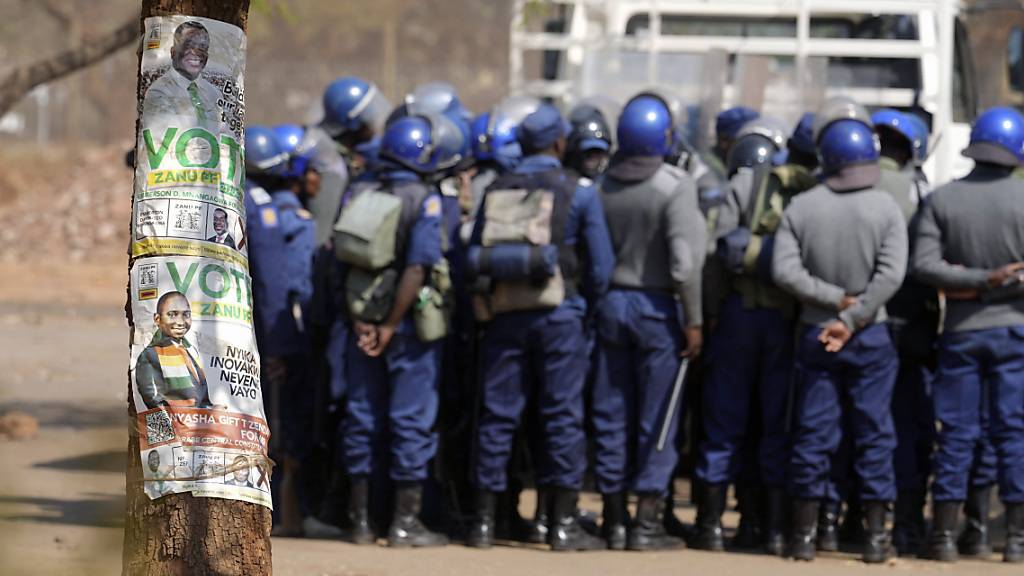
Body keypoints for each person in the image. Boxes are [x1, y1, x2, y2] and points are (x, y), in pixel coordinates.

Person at [466, 103, 614, 552]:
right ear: (559, 143)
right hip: (560, 318)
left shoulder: (496, 189)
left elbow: (472, 259)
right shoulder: (580, 192)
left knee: (496, 418)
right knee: (562, 418)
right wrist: (583, 306)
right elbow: (601, 267)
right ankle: (563, 527)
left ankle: (483, 526)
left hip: (505, 316)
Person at [772, 98, 907, 564]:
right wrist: (854, 317)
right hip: (870, 335)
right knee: (873, 434)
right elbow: (891, 277)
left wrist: (835, 306)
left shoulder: (802, 208)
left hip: (816, 332)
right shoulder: (886, 208)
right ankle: (873, 540)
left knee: (812, 434)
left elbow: (784, 272)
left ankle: (804, 538)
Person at [590, 92, 706, 551]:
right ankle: (647, 523)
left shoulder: (601, 184)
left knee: (611, 414)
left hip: (611, 307)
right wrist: (694, 320)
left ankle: (614, 520)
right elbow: (684, 265)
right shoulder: (674, 187)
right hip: (657, 310)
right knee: (657, 419)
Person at [913, 106, 1024, 564]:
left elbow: (922, 265)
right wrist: (999, 280)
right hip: (1016, 331)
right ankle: (1016, 539)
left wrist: (977, 279)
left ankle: (942, 537)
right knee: (1013, 433)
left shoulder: (942, 199)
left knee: (957, 433)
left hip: (960, 331)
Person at [336, 113, 450, 548]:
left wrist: (361, 321)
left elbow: (340, 262)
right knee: (411, 421)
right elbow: (418, 266)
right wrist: (390, 325)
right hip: (405, 330)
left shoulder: (360, 190)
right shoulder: (424, 198)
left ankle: (361, 522)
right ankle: (405, 524)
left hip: (360, 323)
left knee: (362, 418)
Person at [692, 116, 803, 556]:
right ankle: (771, 528)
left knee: (723, 422)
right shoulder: (795, 188)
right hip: (779, 318)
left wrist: (712, 314)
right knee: (775, 424)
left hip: (737, 318)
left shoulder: (735, 188)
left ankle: (709, 525)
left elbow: (716, 258)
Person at [868, 108, 940, 556]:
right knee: (912, 424)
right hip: (913, 324)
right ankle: (909, 524)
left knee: (862, 421)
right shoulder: (922, 191)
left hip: (858, 321)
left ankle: (851, 519)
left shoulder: (848, 183)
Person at [243, 125, 320, 538]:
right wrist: (278, 345)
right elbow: (273, 284)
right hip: (261, 334)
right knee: (272, 422)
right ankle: (271, 512)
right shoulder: (264, 208)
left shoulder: (226, 195)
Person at [135, 291, 212, 410]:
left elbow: (200, 395)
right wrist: (168, 426)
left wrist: (211, 409)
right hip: (172, 424)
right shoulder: (151, 354)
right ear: (157, 319)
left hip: (196, 424)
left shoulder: (190, 351)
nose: (180, 322)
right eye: (172, 314)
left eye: (186, 315)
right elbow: (152, 399)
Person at [142, 21, 221, 134]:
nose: (195, 53)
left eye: (202, 48)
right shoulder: (159, 91)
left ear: (207, 56)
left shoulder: (214, 93)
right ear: (173, 52)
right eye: (188, 46)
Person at [704, 106, 760, 180]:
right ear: (724, 141)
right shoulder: (707, 166)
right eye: (745, 141)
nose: (750, 146)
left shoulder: (745, 165)